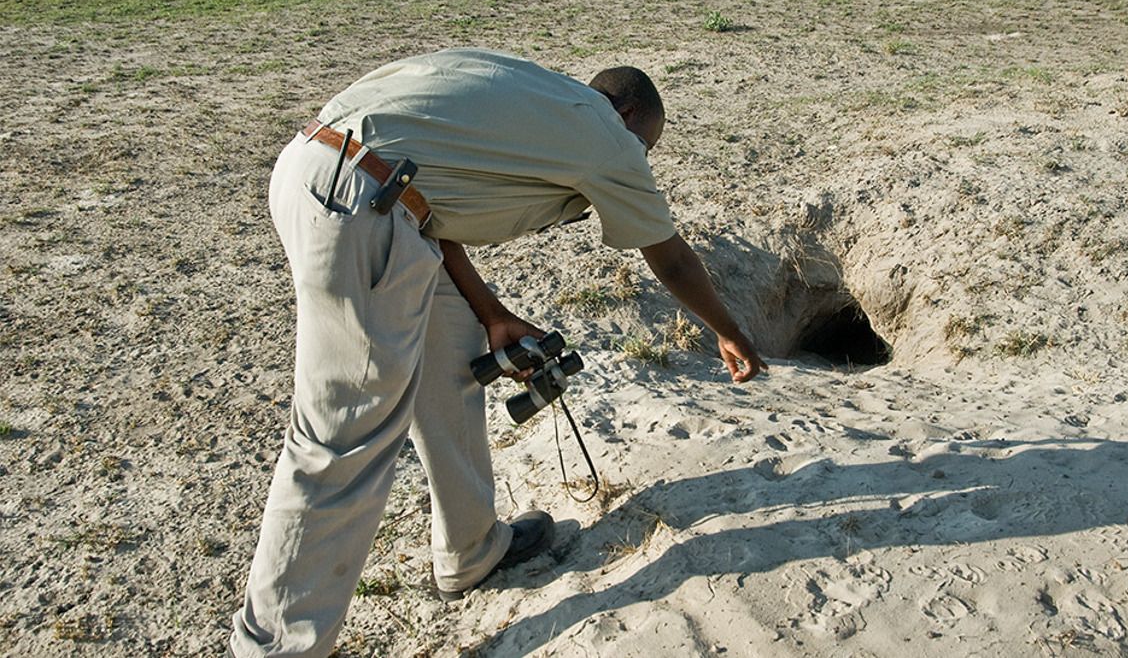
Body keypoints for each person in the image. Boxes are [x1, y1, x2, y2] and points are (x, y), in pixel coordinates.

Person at [229, 48, 765, 656]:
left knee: (450, 359)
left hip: (332, 179)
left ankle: (471, 548)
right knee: (340, 442)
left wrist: (491, 314)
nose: (642, 162)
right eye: (647, 145)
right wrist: (729, 330)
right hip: (361, 205)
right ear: (630, 112)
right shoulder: (607, 136)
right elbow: (668, 255)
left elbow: (424, 203)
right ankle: (275, 648)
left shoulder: (530, 94)